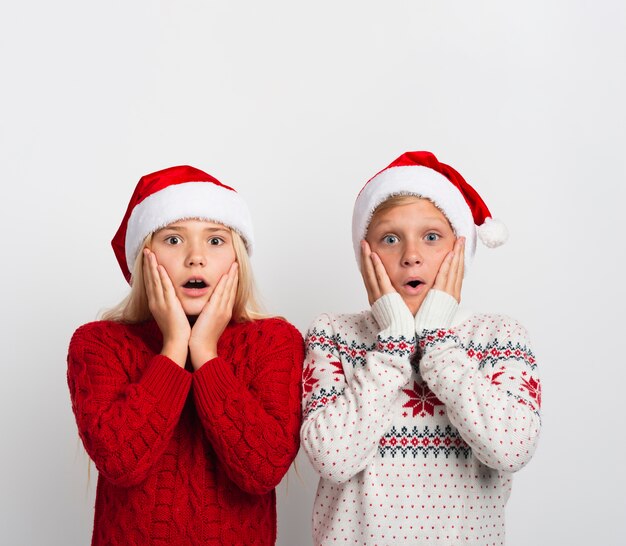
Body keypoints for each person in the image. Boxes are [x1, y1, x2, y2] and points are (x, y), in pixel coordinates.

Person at [301, 151, 541, 546]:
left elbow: (512, 449)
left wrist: (438, 344)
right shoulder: (332, 334)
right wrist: (393, 343)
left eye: (431, 237)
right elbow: (332, 458)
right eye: (390, 239)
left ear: (459, 251)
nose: (411, 255)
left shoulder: (500, 336)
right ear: (365, 255)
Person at [67, 165, 304, 546]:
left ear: (237, 258)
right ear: (144, 258)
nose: (196, 257)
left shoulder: (275, 342)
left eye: (215, 240)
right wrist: (175, 346)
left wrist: (206, 355)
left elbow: (262, 469)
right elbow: (121, 461)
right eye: (173, 240)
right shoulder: (98, 343)